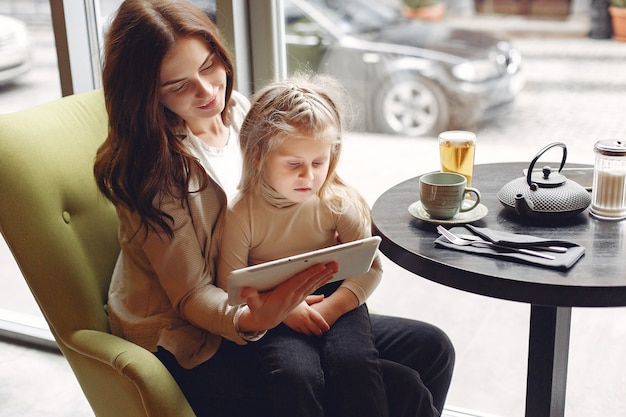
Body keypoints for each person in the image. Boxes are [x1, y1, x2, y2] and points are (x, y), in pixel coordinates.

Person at [93, 0, 455, 416]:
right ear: (146, 95)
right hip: (192, 333)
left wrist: (328, 233)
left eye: (210, 65)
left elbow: (309, 184)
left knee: (432, 349)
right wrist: (259, 315)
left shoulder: (242, 112)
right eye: (178, 85)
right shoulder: (153, 175)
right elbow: (192, 296)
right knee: (402, 389)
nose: (208, 91)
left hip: (275, 298)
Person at [217, 73, 388, 417]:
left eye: (318, 163)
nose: (308, 176)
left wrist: (334, 307)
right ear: (258, 156)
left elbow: (371, 267)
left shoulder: (338, 202)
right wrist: (285, 308)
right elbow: (231, 283)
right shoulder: (241, 213)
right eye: (293, 164)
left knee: (355, 366)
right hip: (272, 309)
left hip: (335, 295)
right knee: (295, 376)